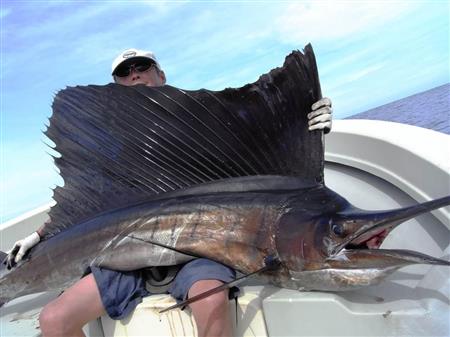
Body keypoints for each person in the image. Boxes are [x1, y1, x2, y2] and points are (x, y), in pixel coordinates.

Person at [7, 48, 333, 337]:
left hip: (202, 247)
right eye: (125, 72)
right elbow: (87, 200)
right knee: (54, 321)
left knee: (211, 301)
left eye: (142, 67)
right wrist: (39, 235)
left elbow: (258, 151)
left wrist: (304, 125)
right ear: (117, 86)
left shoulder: (202, 127)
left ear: (160, 74)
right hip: (126, 254)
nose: (134, 74)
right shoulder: (113, 146)